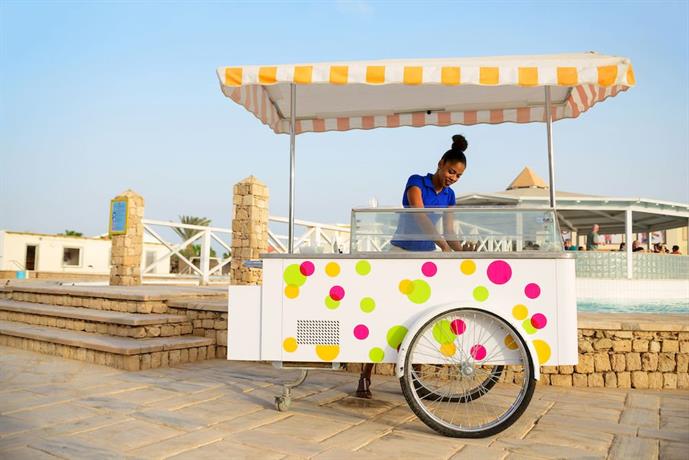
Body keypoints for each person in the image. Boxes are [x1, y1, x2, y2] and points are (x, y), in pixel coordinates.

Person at [356, 135, 468, 399]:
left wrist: (463, 252)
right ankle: (365, 374)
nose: (453, 178)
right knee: (385, 312)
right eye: (451, 171)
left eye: (459, 175)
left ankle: (413, 379)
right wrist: (445, 247)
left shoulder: (450, 195)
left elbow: (450, 231)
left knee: (421, 316)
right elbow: (420, 216)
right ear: (440, 163)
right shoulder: (416, 182)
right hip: (399, 255)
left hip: (425, 260)